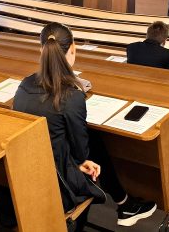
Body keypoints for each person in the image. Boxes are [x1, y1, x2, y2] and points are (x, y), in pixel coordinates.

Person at [13, 22, 157, 229]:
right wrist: (79, 163)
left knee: (93, 140)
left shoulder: (25, 84)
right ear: (73, 49)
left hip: (26, 166)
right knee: (92, 151)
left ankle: (124, 202)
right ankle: (121, 205)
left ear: (41, 50)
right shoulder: (71, 96)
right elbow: (81, 154)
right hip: (56, 180)